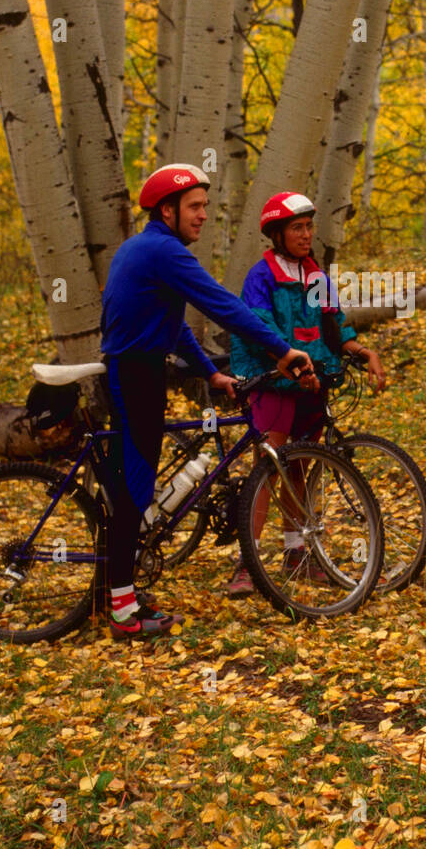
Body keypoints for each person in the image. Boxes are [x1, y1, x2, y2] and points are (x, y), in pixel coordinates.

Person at [100, 164, 313, 639]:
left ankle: (119, 593)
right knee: (134, 491)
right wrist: (283, 349)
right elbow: (222, 303)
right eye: (194, 207)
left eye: (204, 206)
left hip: (140, 370)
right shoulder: (163, 251)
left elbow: (172, 323)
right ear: (167, 210)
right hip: (136, 375)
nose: (202, 216)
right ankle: (121, 613)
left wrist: (210, 372)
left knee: (130, 486)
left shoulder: (148, 249)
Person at [226, 191, 386, 597]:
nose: (305, 234)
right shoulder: (260, 276)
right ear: (277, 234)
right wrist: (294, 367)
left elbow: (335, 326)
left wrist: (362, 352)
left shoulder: (316, 275)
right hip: (272, 382)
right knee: (270, 464)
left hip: (312, 382)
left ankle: (296, 553)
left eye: (308, 226)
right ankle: (248, 562)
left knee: (297, 468)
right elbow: (262, 331)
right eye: (296, 227)